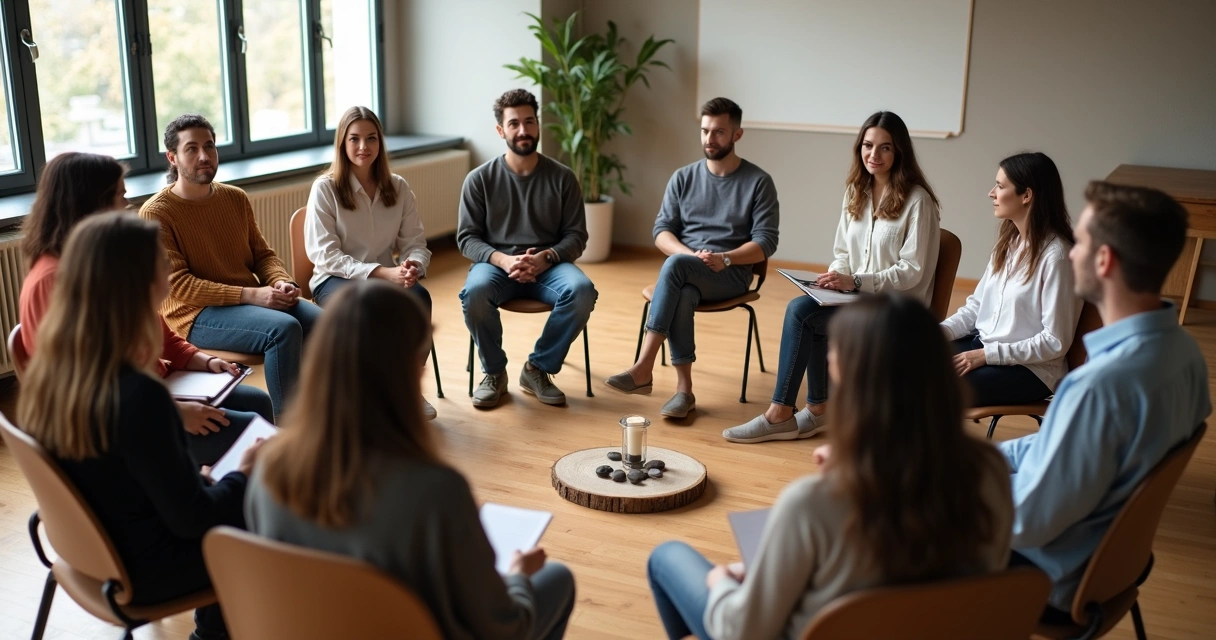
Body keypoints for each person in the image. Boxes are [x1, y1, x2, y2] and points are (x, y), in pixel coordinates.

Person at [647, 294, 1012, 640]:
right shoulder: (991, 471)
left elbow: (740, 631)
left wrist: (722, 582)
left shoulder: (811, 503)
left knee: (666, 557)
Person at [246, 280, 576, 640]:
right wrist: (516, 576)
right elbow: (503, 628)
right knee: (556, 579)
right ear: (411, 370)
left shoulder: (267, 468)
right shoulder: (436, 491)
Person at [15, 212, 264, 640]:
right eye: (161, 261)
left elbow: (125, 477)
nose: (170, 266)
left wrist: (200, 482)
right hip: (146, 567)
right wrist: (243, 474)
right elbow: (195, 519)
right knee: (263, 514)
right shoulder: (140, 396)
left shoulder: (56, 376)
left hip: (95, 552)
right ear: (139, 285)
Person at [1002, 181, 1210, 615]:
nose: (1070, 253)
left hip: (1049, 574)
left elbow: (1030, 522)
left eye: (1079, 242)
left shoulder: (1097, 388)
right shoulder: (1185, 353)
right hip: (1111, 561)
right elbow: (1064, 446)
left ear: (1104, 260)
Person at [19, 151, 272, 466]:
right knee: (253, 434)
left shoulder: (97, 260)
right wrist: (174, 413)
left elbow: (156, 330)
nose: (127, 206)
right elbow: (88, 386)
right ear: (91, 205)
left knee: (258, 403)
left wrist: (202, 360)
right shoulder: (53, 281)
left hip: (151, 393)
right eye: (119, 196)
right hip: (117, 422)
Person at [723, 111, 940, 443]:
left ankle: (783, 414)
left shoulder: (918, 201)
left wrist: (856, 282)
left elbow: (912, 271)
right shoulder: (856, 191)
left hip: (895, 310)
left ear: (899, 152)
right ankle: (814, 409)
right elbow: (842, 251)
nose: (874, 154)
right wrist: (836, 275)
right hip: (857, 299)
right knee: (804, 308)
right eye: (868, 145)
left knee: (803, 315)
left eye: (885, 147)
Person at [604, 98, 779, 419]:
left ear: (737, 134)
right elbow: (661, 232)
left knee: (675, 269)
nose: (709, 138)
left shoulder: (758, 182)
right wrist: (690, 257)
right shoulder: (683, 177)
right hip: (687, 269)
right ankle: (684, 391)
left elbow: (766, 242)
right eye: (705, 131)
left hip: (731, 273)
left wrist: (725, 258)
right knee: (682, 289)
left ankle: (643, 368)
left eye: (719, 132)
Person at [140, 113, 321, 419]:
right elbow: (180, 286)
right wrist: (252, 295)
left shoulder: (235, 198)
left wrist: (281, 282)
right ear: (172, 158)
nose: (204, 156)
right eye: (191, 149)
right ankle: (288, 430)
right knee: (283, 329)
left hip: (248, 299)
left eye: (209, 146)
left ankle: (320, 414)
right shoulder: (156, 213)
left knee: (323, 320)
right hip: (195, 314)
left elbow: (262, 255)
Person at [457, 89, 597, 408]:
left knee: (582, 291)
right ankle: (495, 373)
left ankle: (536, 369)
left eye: (529, 122)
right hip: (496, 266)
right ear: (501, 130)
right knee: (474, 293)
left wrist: (546, 257)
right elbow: (467, 238)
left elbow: (577, 236)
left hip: (550, 266)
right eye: (514, 123)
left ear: (538, 124)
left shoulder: (563, 178)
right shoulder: (479, 180)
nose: (523, 130)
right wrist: (504, 261)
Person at [305, 105, 436, 419]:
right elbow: (325, 255)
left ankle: (405, 389)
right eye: (354, 139)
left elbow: (415, 243)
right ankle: (366, 399)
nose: (363, 146)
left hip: (387, 275)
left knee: (419, 299)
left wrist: (413, 266)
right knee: (367, 311)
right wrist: (382, 273)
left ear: (380, 142)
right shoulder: (325, 189)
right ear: (343, 143)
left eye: (371, 138)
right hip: (334, 280)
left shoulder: (398, 187)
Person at [941, 152, 1081, 406]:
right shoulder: (1008, 244)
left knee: (934, 385)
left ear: (1026, 195)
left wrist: (986, 355)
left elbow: (1054, 341)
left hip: (1030, 370)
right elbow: (975, 308)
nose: (991, 193)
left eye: (1000, 186)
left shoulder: (1058, 257)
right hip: (984, 346)